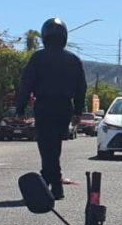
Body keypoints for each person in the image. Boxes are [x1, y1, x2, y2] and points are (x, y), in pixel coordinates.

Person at [15, 18, 87, 201]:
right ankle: (52, 185)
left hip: (45, 106)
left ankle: (52, 185)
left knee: (47, 146)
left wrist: (20, 107)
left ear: (44, 36)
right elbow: (81, 88)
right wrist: (78, 111)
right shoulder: (74, 59)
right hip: (64, 107)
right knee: (54, 146)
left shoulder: (38, 58)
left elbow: (26, 83)